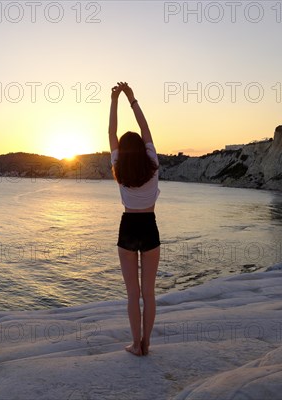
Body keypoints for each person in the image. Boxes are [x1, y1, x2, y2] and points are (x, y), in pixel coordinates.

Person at [109, 82, 161, 356]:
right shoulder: (152, 161)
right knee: (148, 293)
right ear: (142, 148)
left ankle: (135, 344)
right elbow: (146, 128)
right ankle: (147, 342)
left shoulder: (119, 166)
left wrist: (114, 99)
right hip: (149, 226)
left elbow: (111, 132)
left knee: (133, 294)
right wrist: (131, 98)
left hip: (128, 227)